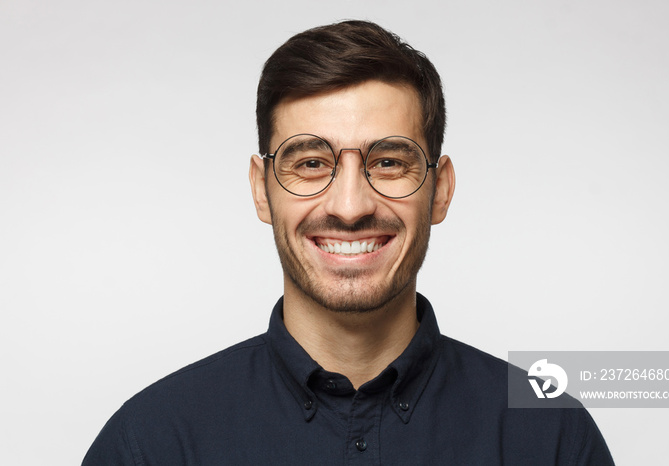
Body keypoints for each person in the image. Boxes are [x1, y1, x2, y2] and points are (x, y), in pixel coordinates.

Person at [83, 20, 615, 465]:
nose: (351, 206)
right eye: (311, 163)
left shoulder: (553, 438)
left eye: (388, 161)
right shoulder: (150, 445)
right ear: (261, 191)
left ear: (441, 189)